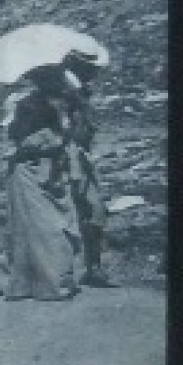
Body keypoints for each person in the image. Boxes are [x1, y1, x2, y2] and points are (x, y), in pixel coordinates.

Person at [1, 64, 83, 301]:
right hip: (28, 169)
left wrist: (62, 117)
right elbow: (14, 135)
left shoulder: (64, 103)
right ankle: (26, 284)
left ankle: (53, 283)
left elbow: (69, 135)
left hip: (53, 169)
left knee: (55, 226)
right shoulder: (19, 102)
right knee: (28, 227)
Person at [63, 50, 114, 287]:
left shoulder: (83, 98)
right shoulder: (64, 96)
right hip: (66, 159)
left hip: (82, 159)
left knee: (94, 209)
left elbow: (89, 132)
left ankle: (93, 266)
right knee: (71, 213)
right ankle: (68, 269)